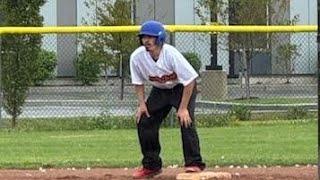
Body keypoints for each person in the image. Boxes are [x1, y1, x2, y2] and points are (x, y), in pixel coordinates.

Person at [129, 20, 206, 179]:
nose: (147, 40)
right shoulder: (137, 57)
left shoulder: (170, 53)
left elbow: (189, 81)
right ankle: (151, 166)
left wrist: (183, 108)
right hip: (160, 90)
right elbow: (138, 82)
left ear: (160, 38)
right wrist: (142, 105)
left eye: (151, 37)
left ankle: (194, 163)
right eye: (144, 37)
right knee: (145, 120)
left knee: (186, 120)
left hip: (181, 89)